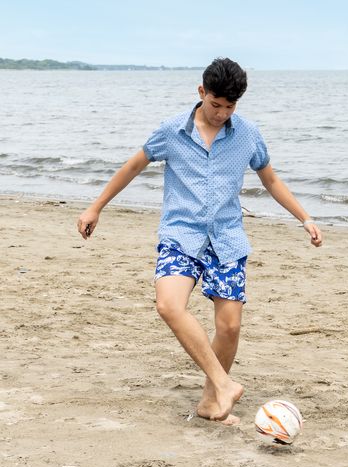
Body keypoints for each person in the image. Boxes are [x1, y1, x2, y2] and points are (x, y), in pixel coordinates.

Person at [77, 57, 322, 425]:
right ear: (201, 92)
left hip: (227, 238)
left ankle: (212, 401)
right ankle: (225, 384)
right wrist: (95, 207)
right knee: (168, 305)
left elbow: (270, 180)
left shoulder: (248, 135)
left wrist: (304, 217)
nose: (222, 113)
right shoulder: (171, 132)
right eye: (216, 104)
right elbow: (132, 166)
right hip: (181, 234)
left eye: (230, 106)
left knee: (229, 327)